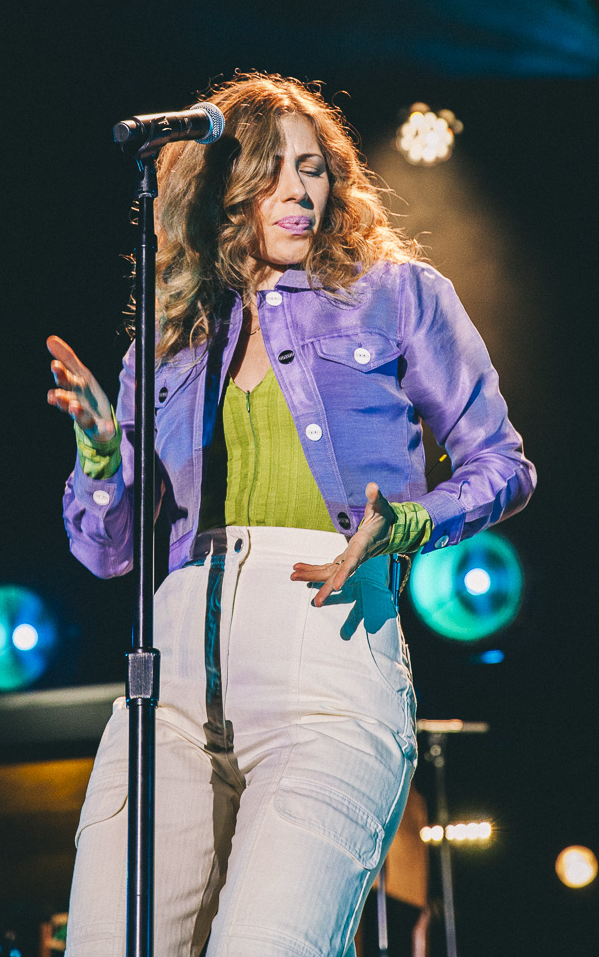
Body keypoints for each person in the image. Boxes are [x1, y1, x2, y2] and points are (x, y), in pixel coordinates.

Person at [47, 72, 536, 957]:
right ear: (224, 188)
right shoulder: (168, 336)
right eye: (273, 171)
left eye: (313, 169)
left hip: (329, 659)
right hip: (174, 680)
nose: (300, 191)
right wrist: (96, 454)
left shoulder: (396, 294)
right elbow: (109, 552)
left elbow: (500, 463)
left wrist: (410, 526)